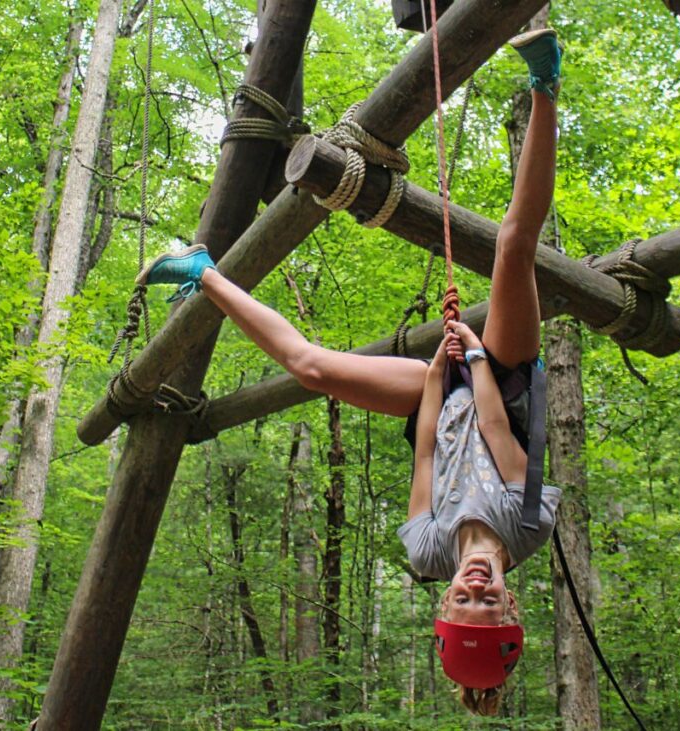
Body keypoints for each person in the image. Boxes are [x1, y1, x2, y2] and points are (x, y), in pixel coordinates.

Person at [138, 28, 564, 715]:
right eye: (489, 600)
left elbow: (425, 445)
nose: (476, 586)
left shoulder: (427, 553)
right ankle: (546, 85)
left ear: (448, 597)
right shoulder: (528, 526)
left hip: (443, 398)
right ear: (512, 601)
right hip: (503, 384)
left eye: (465, 599)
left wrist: (436, 373)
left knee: (312, 367)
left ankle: (203, 273)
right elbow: (497, 428)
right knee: (514, 249)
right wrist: (474, 353)